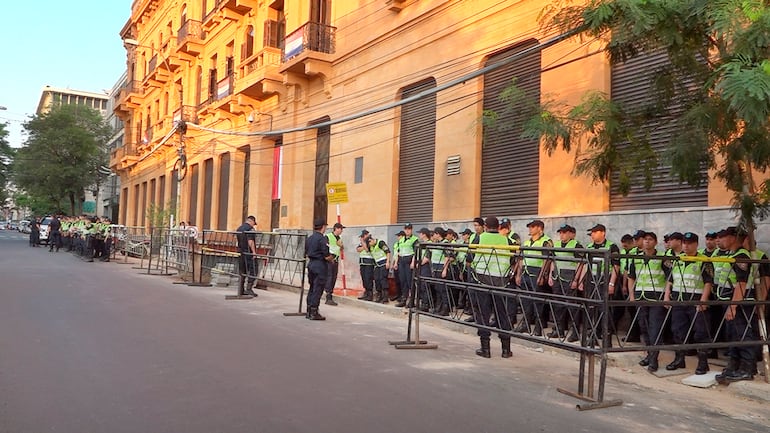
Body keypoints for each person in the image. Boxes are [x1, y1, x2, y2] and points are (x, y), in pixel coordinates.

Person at [663, 232, 714, 374]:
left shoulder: (703, 260)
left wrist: (703, 301)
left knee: (700, 333)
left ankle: (703, 363)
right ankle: (680, 359)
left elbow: (708, 283)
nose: (686, 245)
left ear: (697, 244)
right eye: (684, 243)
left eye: (690, 243)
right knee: (678, 331)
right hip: (679, 301)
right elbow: (671, 279)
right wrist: (667, 296)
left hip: (696, 302)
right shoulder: (677, 259)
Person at [467, 216, 516, 358]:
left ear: (486, 227)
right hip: (501, 281)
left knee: (483, 314)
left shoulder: (479, 238)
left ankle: (485, 349)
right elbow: (513, 258)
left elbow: (469, 258)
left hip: (482, 280)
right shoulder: (507, 240)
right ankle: (506, 350)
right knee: (502, 314)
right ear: (499, 227)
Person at [715, 227, 757, 381]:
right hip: (729, 301)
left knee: (743, 335)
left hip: (739, 303)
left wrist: (733, 306)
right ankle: (733, 365)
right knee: (733, 335)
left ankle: (747, 368)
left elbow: (741, 284)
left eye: (724, 236)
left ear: (733, 238)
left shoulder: (741, 256)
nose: (721, 239)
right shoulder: (731, 255)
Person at [627, 231, 669, 371]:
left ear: (655, 242)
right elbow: (631, 277)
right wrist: (632, 295)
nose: (647, 242)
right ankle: (649, 355)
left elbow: (670, 278)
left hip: (656, 298)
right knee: (644, 328)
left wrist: (666, 297)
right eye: (645, 239)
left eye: (650, 240)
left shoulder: (662, 258)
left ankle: (654, 359)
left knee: (655, 328)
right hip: (640, 296)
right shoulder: (636, 258)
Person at [513, 219, 553, 336]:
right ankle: (525, 325)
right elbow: (521, 259)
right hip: (526, 272)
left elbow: (547, 260)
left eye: (533, 227)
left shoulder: (546, 241)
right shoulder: (526, 242)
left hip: (537, 273)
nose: (530, 229)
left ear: (540, 228)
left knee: (538, 302)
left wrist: (542, 276)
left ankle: (538, 327)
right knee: (525, 301)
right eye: (529, 227)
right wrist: (519, 274)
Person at [548, 224, 583, 340]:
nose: (561, 235)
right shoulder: (556, 244)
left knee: (572, 306)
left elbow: (581, 263)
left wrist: (576, 279)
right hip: (557, 278)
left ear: (569, 233)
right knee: (558, 305)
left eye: (564, 233)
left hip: (569, 279)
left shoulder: (576, 245)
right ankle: (559, 330)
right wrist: (550, 276)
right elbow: (553, 261)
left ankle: (575, 332)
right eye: (560, 233)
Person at [305, 218, 333, 320]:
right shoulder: (322, 239)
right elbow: (326, 255)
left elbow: (307, 252)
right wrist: (331, 259)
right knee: (318, 288)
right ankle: (314, 311)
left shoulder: (309, 238)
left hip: (311, 264)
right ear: (323, 227)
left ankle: (308, 310)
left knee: (312, 288)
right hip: (320, 265)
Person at [394, 223, 418, 307]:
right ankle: (404, 299)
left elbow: (416, 252)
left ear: (411, 230)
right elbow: (398, 252)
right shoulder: (401, 240)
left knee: (410, 282)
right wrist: (396, 262)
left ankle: (412, 301)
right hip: (402, 261)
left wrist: (413, 262)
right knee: (403, 281)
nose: (407, 231)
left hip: (409, 261)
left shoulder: (415, 239)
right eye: (406, 229)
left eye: (409, 229)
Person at [235, 216, 259, 297]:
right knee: (253, 270)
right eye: (253, 223)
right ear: (251, 221)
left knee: (242, 271)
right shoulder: (250, 229)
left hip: (241, 253)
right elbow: (250, 241)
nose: (253, 225)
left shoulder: (239, 228)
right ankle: (249, 288)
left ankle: (241, 290)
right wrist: (254, 252)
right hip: (248, 253)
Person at [324, 222, 345, 306]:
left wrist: (341, 245)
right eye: (341, 229)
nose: (342, 231)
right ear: (336, 228)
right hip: (329, 260)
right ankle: (328, 296)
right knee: (329, 277)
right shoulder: (328, 236)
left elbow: (341, 248)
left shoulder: (339, 238)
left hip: (336, 260)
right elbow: (325, 247)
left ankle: (330, 294)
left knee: (333, 277)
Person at [368, 233, 392, 303]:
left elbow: (388, 252)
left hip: (384, 263)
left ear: (371, 240)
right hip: (377, 265)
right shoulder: (371, 247)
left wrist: (388, 262)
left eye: (370, 243)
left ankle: (385, 297)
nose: (370, 246)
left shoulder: (380, 243)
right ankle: (379, 296)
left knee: (383, 279)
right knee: (377, 280)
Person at [356, 229, 376, 301]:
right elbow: (358, 249)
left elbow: (367, 249)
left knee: (368, 278)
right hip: (362, 262)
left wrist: (363, 243)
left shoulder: (371, 240)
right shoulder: (363, 242)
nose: (362, 238)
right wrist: (363, 246)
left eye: (363, 236)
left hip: (369, 262)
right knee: (364, 278)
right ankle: (366, 293)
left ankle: (370, 294)